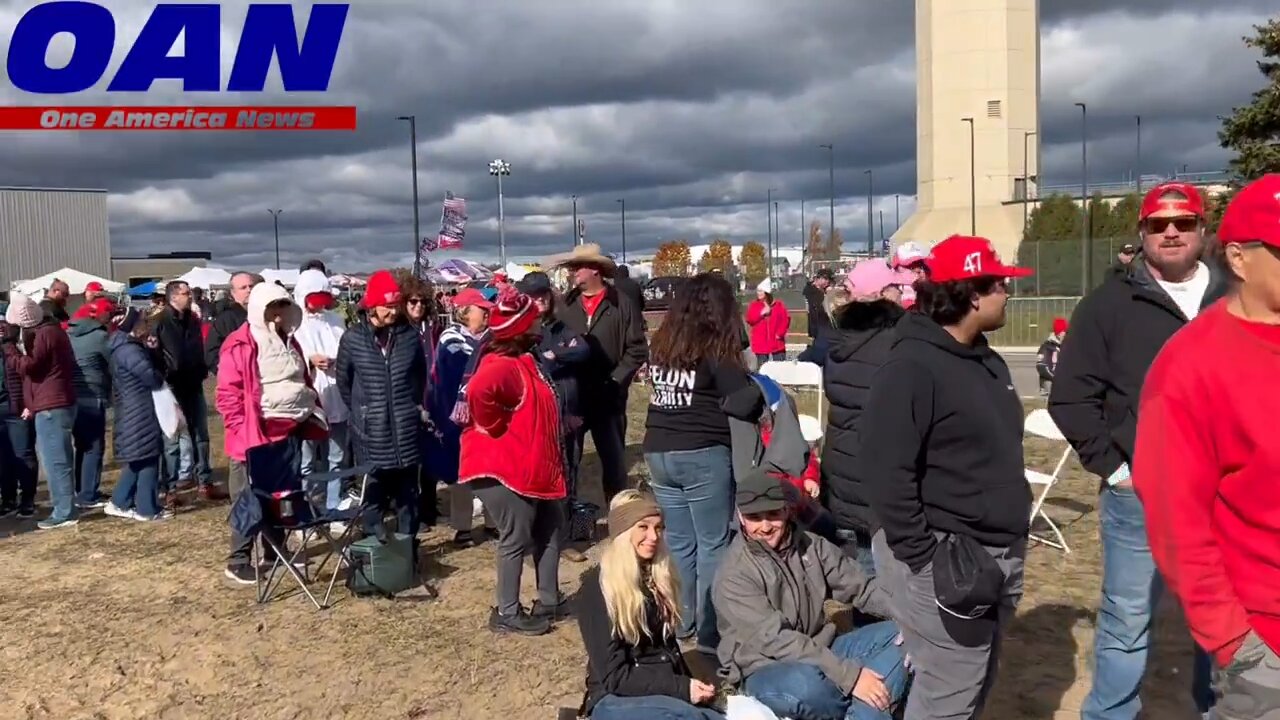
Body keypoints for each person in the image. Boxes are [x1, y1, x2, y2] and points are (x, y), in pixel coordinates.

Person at [1049, 182, 1224, 720]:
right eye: (1157, 224)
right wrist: (1117, 468)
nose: (1171, 232)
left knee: (1222, 617)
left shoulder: (1238, 293)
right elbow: (1071, 397)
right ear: (1142, 232)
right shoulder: (1108, 305)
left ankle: (1216, 708)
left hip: (1227, 491)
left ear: (1203, 229)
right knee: (1126, 621)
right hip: (1141, 495)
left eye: (1184, 222)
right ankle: (1110, 714)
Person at [860, 235, 1033, 720]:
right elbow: (884, 470)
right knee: (947, 698)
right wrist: (925, 559)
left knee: (977, 685)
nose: (1008, 292)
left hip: (998, 555)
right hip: (950, 561)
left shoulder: (986, 358)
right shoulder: (911, 367)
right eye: (1000, 284)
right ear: (972, 294)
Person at [1133, 175, 1280, 720]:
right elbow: (1176, 523)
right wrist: (1235, 643)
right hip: (1265, 646)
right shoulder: (1190, 367)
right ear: (1239, 258)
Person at [714, 469, 910, 720]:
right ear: (741, 517)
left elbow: (862, 588)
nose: (764, 526)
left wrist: (913, 616)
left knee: (906, 637)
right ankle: (868, 704)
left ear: (786, 511)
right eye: (754, 517)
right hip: (766, 666)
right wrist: (850, 678)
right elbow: (776, 640)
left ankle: (862, 712)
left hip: (822, 647)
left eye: (773, 514)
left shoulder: (812, 545)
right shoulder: (734, 573)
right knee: (807, 689)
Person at [643, 272, 763, 652]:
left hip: (659, 448)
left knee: (679, 542)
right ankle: (710, 630)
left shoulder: (663, 344)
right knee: (713, 543)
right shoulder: (715, 347)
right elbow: (742, 399)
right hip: (701, 452)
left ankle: (680, 621)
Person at [458, 288, 568, 636]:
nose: (538, 322)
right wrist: (493, 424)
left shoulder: (526, 360)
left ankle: (548, 598)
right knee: (516, 536)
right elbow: (478, 392)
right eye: (532, 319)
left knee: (551, 526)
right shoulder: (502, 365)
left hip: (532, 467)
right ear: (519, 328)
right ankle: (507, 611)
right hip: (503, 469)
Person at [577, 490, 725, 720]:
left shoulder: (656, 577)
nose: (654, 536)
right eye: (643, 527)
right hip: (613, 698)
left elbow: (668, 651)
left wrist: (691, 688)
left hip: (660, 691)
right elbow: (614, 676)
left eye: (658, 528)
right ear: (623, 531)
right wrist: (681, 688)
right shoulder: (597, 587)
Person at [217, 282, 328, 584]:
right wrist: (241, 428)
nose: (278, 313)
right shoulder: (239, 344)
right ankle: (238, 558)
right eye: (272, 307)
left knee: (281, 495)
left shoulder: (290, 342)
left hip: (286, 432)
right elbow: (228, 392)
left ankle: (275, 550)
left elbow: (300, 377)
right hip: (252, 436)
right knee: (247, 498)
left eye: (282, 306)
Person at [814, 260, 915, 577]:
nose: (902, 293)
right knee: (895, 584)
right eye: (896, 288)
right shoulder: (896, 344)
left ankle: (864, 625)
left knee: (862, 578)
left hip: (844, 474)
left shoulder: (839, 341)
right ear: (883, 294)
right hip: (883, 481)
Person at [336, 270, 429, 543]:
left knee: (408, 495)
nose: (392, 311)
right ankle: (374, 551)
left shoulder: (409, 337)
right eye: (387, 306)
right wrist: (362, 413)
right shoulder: (353, 339)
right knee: (373, 494)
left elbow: (419, 376)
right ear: (372, 306)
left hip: (405, 429)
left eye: (394, 305)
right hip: (371, 431)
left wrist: (410, 406)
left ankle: (407, 550)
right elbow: (344, 381)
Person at [556, 244, 648, 505]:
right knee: (568, 461)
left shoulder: (622, 303)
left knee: (614, 464)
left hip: (609, 398)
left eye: (578, 267)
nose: (573, 272)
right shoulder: (566, 304)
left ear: (595, 270)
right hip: (573, 397)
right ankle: (569, 515)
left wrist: (616, 380)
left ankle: (618, 515)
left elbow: (637, 348)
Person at [517, 270, 592, 563]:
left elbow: (582, 351)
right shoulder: (523, 332)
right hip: (537, 416)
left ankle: (564, 538)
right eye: (534, 296)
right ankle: (532, 541)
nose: (540, 301)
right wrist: (553, 355)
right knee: (536, 478)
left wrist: (555, 354)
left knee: (568, 473)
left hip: (567, 411)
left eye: (544, 294)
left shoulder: (561, 327)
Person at [3, 292, 80, 530]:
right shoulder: (52, 331)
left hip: (51, 405)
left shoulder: (46, 335)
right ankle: (65, 508)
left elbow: (31, 367)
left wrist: (10, 349)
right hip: (53, 402)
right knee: (59, 459)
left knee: (56, 461)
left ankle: (64, 512)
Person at [427, 287, 495, 546]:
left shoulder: (491, 337)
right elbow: (461, 370)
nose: (487, 313)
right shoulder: (451, 339)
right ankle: (463, 526)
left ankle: (493, 521)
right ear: (466, 312)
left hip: (487, 414)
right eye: (481, 309)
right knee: (462, 472)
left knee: (490, 468)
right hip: (457, 415)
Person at [154, 280, 221, 500]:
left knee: (201, 434)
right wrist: (164, 375)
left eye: (189, 293)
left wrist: (201, 369)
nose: (189, 296)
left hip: (193, 382)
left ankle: (204, 480)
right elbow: (154, 353)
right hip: (172, 385)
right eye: (185, 293)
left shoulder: (192, 320)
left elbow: (196, 347)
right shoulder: (159, 321)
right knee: (172, 437)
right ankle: (170, 487)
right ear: (173, 296)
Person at [104, 307, 169, 521]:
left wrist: (152, 351)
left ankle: (120, 501)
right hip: (139, 408)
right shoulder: (129, 351)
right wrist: (155, 364)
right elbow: (151, 377)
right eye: (144, 323)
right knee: (148, 456)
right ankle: (147, 508)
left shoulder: (125, 347)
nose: (147, 327)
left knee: (138, 458)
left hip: (133, 407)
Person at [293, 269, 350, 512]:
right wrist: (309, 360)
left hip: (336, 393)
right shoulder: (295, 324)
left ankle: (333, 504)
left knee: (336, 457)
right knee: (306, 460)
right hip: (310, 398)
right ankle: (307, 509)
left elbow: (347, 348)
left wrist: (338, 361)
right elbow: (290, 356)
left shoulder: (335, 321)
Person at [400, 275, 443, 525]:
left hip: (432, 397)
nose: (418, 307)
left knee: (429, 459)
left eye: (423, 302)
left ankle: (428, 508)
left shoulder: (432, 330)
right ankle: (409, 510)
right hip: (409, 399)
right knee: (410, 461)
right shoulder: (400, 331)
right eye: (413, 302)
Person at [67, 297, 116, 509]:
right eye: (110, 314)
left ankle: (81, 488)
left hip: (71, 396)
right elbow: (114, 363)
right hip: (93, 394)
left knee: (81, 446)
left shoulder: (68, 334)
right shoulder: (100, 337)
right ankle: (88, 494)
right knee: (94, 448)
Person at [0, 319, 37, 518]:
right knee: (4, 457)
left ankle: (28, 499)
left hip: (16, 407)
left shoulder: (14, 346)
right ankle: (7, 498)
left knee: (23, 453)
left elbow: (28, 375)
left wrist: (28, 404)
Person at [205, 272, 261, 377]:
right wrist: (230, 374)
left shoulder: (264, 313)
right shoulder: (225, 319)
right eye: (243, 288)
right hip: (239, 379)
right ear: (233, 293)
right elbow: (212, 354)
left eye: (251, 286)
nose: (249, 290)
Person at [745, 278, 790, 363]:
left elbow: (785, 320)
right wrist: (761, 314)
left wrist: (779, 334)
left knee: (779, 368)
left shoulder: (778, 305)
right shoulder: (754, 305)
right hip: (760, 343)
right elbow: (750, 320)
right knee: (762, 368)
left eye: (761, 291)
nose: (758, 293)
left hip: (777, 343)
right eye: (758, 291)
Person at [890, 241, 930, 309]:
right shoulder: (898, 294)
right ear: (897, 269)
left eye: (920, 264)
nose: (918, 270)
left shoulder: (927, 288)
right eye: (910, 266)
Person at [1035, 317, 1067, 397]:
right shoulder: (1047, 347)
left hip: (1062, 388)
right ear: (1059, 333)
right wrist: (1056, 378)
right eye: (1064, 332)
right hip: (1049, 389)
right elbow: (1042, 367)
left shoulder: (1065, 347)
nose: (1066, 334)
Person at [803, 268, 834, 342]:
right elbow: (819, 309)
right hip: (816, 328)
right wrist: (828, 295)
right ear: (818, 278)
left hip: (823, 328)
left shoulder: (822, 291)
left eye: (829, 279)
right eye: (825, 279)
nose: (827, 282)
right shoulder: (811, 291)